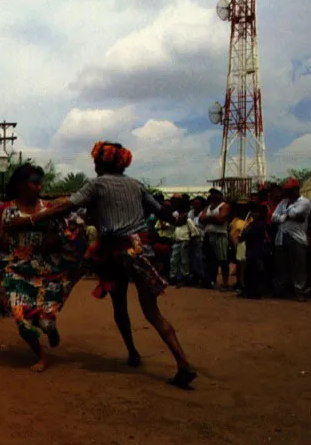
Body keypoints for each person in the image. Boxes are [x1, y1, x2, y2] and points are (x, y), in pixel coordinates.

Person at [25, 141, 196, 388]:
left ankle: (132, 352)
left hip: (115, 255)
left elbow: (68, 205)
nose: (94, 165)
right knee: (152, 313)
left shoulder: (97, 184)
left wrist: (34, 218)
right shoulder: (136, 185)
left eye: (95, 161)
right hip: (141, 252)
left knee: (119, 305)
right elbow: (167, 216)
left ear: (100, 163)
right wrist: (179, 215)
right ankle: (182, 363)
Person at [0, 163, 87, 372]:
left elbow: (74, 228)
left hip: (48, 269)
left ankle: (50, 327)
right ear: (21, 185)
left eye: (41, 184)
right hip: (16, 268)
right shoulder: (2, 211)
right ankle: (41, 355)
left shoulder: (50, 209)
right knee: (20, 314)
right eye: (35, 183)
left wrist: (57, 240)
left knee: (44, 320)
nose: (39, 188)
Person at [272, 178, 311, 301]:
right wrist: (287, 216)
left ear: (296, 189)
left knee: (298, 266)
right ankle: (282, 290)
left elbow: (295, 214)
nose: (287, 193)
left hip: (296, 237)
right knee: (282, 265)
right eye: (286, 190)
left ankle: (299, 291)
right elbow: (274, 218)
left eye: (289, 190)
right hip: (281, 237)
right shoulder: (283, 202)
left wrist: (285, 215)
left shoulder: (305, 202)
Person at [200, 188, 231, 290]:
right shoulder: (209, 207)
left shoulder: (224, 205)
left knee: (223, 259)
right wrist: (213, 218)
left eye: (215, 193)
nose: (213, 195)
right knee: (209, 259)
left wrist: (208, 218)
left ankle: (225, 282)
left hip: (220, 235)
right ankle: (211, 280)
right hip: (208, 234)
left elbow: (221, 219)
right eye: (212, 193)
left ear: (220, 194)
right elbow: (201, 219)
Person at [240, 203, 268, 299]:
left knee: (255, 272)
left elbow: (246, 235)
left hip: (256, 251)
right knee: (250, 271)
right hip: (252, 251)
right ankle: (250, 290)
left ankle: (255, 292)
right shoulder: (254, 224)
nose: (253, 213)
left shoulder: (259, 225)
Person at [170, 198, 199, 287]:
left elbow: (195, 233)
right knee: (173, 260)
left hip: (184, 242)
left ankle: (184, 278)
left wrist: (189, 241)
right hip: (177, 242)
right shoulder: (177, 220)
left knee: (184, 261)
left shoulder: (188, 221)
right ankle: (173, 277)